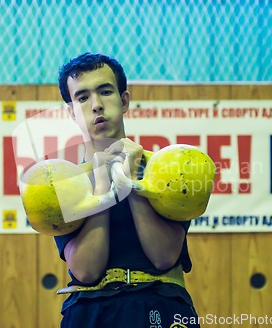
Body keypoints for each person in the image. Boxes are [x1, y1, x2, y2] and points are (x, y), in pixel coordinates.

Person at [54, 52, 200, 328]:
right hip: (90, 314)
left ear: (124, 101)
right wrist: (102, 183)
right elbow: (86, 271)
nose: (96, 105)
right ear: (71, 112)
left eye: (105, 92)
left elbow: (164, 257)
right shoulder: (63, 184)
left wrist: (130, 181)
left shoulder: (170, 170)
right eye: (82, 97)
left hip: (160, 307)